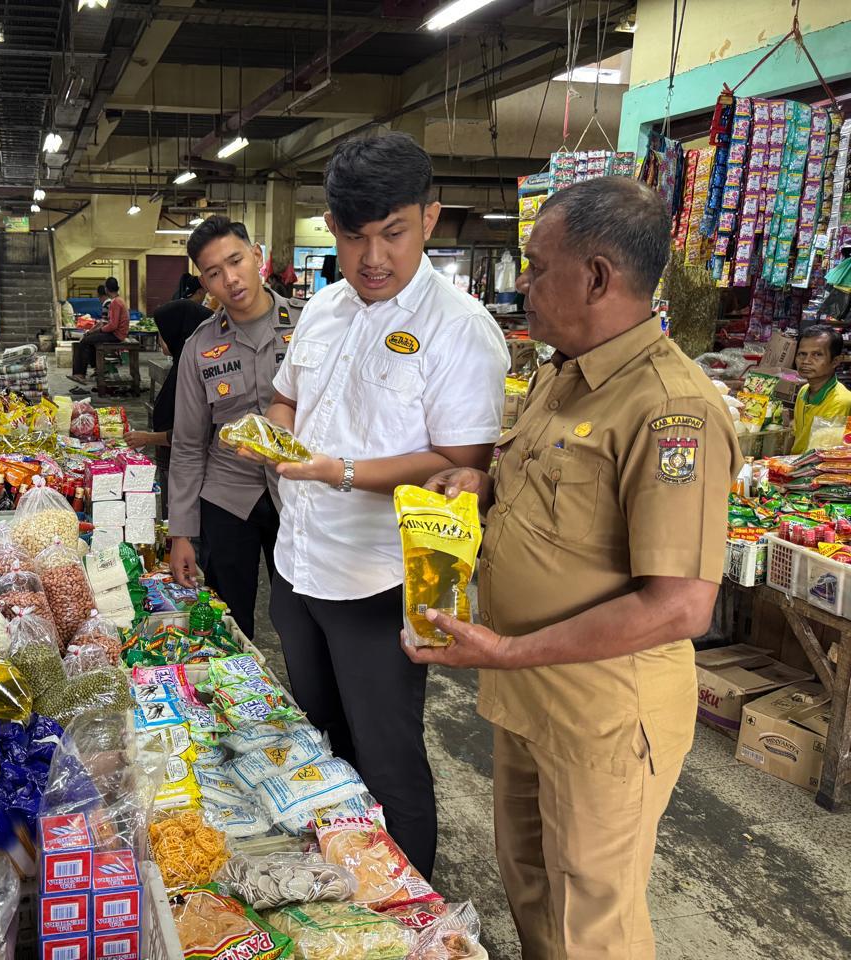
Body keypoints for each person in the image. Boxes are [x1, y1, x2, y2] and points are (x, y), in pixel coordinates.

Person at [406, 177, 742, 960]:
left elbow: (680, 606)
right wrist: (482, 485)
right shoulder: (563, 373)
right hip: (528, 693)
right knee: (529, 883)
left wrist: (510, 650)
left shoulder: (668, 410)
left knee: (592, 920)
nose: (522, 285)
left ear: (595, 276)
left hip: (603, 714)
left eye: (534, 266)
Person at [253, 132, 508, 875]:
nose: (372, 257)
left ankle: (413, 915)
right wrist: (276, 441)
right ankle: (341, 883)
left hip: (376, 581)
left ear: (430, 218)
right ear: (330, 227)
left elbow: (464, 462)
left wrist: (339, 470)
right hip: (296, 565)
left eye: (392, 233)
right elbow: (283, 399)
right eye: (353, 235)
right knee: (318, 736)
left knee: (387, 754)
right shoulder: (326, 309)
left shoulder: (459, 331)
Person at [168, 217, 305, 639]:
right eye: (213, 273)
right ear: (204, 283)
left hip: (302, 494)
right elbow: (188, 445)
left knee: (302, 619)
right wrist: (182, 532)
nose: (230, 279)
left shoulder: (310, 325)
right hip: (228, 498)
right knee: (230, 620)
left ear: (257, 256)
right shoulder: (200, 347)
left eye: (236, 260)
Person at [124, 273, 213, 514]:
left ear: (179, 332)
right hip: (174, 464)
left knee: (181, 521)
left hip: (186, 469)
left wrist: (148, 438)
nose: (160, 339)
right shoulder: (182, 364)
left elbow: (194, 432)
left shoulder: (193, 375)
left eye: (162, 333)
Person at [791, 324, 851, 453]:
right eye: (802, 354)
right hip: (796, 465)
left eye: (817, 355)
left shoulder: (840, 401)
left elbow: (822, 454)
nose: (806, 361)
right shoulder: (804, 391)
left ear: (835, 361)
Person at [70, 276, 129, 384]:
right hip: (118, 333)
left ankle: (79, 374)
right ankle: (97, 368)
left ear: (106, 289)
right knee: (91, 340)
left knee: (84, 340)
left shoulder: (115, 302)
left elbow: (113, 325)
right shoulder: (119, 300)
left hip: (116, 335)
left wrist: (99, 330)